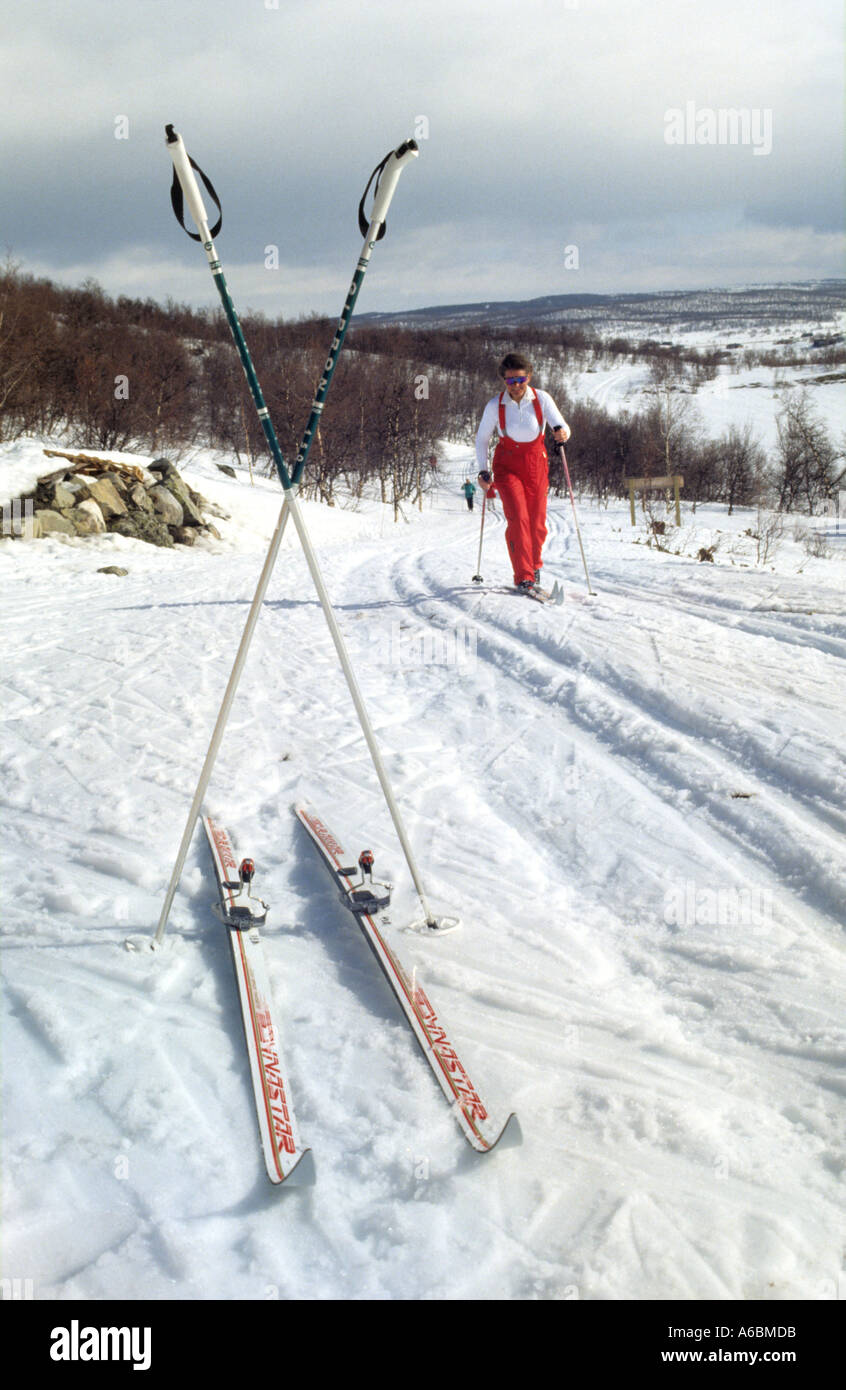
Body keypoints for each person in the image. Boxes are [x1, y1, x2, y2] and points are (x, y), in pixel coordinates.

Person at [475, 353, 570, 592]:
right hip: (507, 465)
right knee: (518, 518)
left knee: (537, 524)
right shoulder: (495, 405)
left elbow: (561, 425)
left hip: (536, 464)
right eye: (510, 381)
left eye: (520, 380)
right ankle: (523, 576)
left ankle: (534, 565)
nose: (516, 386)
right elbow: (482, 440)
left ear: (529, 377)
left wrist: (562, 432)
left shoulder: (542, 399)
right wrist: (483, 471)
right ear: (503, 381)